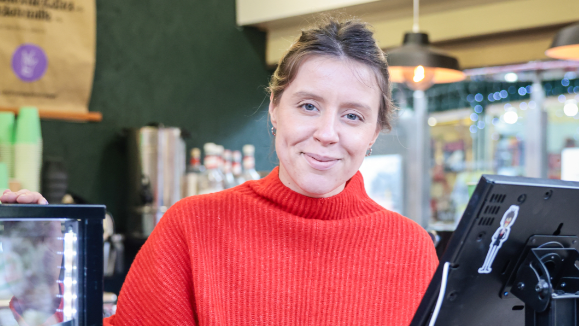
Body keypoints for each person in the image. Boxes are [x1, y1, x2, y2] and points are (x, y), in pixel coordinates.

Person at [1, 17, 438, 325]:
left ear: (375, 131)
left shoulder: (412, 249)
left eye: (353, 116)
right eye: (308, 106)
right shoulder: (192, 226)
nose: (327, 133)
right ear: (274, 108)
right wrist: (38, 282)